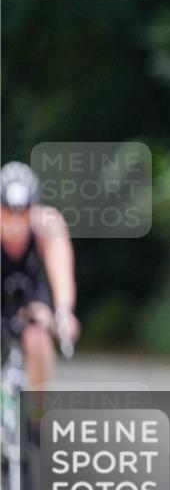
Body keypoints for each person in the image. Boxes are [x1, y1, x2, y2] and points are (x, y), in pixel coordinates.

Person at [1, 161, 79, 389]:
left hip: (29, 291)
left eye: (23, 212)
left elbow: (61, 271)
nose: (15, 222)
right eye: (7, 212)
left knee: (38, 336)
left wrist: (63, 312)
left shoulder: (48, 224)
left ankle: (35, 416)